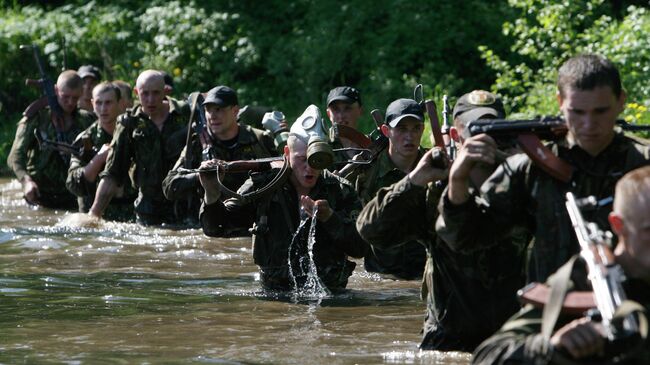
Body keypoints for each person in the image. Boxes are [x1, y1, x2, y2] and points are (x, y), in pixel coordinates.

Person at [436, 54, 650, 284]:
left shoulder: (643, 162)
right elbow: (465, 238)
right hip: (554, 307)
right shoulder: (532, 168)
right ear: (560, 102)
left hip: (637, 306)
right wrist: (457, 181)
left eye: (600, 111)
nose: (589, 124)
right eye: (577, 112)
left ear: (621, 101)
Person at [356, 90, 528, 351]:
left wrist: (517, 161)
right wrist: (414, 181)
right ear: (457, 137)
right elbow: (371, 231)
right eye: (475, 129)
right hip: (447, 339)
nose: (483, 137)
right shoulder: (434, 190)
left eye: (492, 128)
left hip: (510, 338)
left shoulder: (523, 185)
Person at [472, 165, 650, 364]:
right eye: (648, 230)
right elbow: (487, 356)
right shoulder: (580, 284)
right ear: (618, 225)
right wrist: (552, 347)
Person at [199, 105, 369, 291]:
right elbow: (216, 228)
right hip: (275, 298)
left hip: (331, 295)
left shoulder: (339, 189)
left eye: (314, 160)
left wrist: (329, 218)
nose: (309, 168)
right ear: (287, 153)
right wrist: (211, 192)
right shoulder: (264, 186)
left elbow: (360, 248)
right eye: (301, 159)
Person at [162, 85, 277, 229]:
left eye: (219, 109)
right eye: (208, 110)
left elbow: (285, 172)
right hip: (212, 224)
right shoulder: (197, 143)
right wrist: (201, 176)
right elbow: (169, 186)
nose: (212, 115)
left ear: (235, 111)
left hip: (254, 222)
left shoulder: (259, 139)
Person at [88, 70, 190, 225]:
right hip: (148, 211)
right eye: (145, 94)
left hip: (186, 208)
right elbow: (112, 173)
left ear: (166, 91)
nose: (150, 100)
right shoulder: (129, 123)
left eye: (156, 93)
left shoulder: (185, 114)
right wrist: (94, 214)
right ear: (136, 93)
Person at [345, 98, 428, 279]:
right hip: (380, 279)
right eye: (402, 129)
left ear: (423, 129)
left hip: (425, 276)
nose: (410, 136)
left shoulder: (434, 167)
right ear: (386, 131)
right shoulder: (365, 173)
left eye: (416, 128)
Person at [7, 70, 95, 209]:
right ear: (55, 90)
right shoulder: (37, 119)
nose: (70, 102)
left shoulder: (87, 121)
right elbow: (15, 157)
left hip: (74, 197)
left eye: (75, 97)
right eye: (65, 96)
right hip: (38, 196)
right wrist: (26, 181)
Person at [66, 82, 135, 221]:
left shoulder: (133, 135)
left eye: (108, 103)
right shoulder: (86, 139)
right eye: (99, 103)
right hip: (93, 218)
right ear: (92, 104)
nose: (103, 108)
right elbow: (74, 184)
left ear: (120, 103)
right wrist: (98, 159)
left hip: (129, 214)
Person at [326, 86, 367, 162]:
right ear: (329, 114)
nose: (341, 116)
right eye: (336, 109)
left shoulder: (371, 146)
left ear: (360, 110)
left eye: (347, 108)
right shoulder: (322, 148)